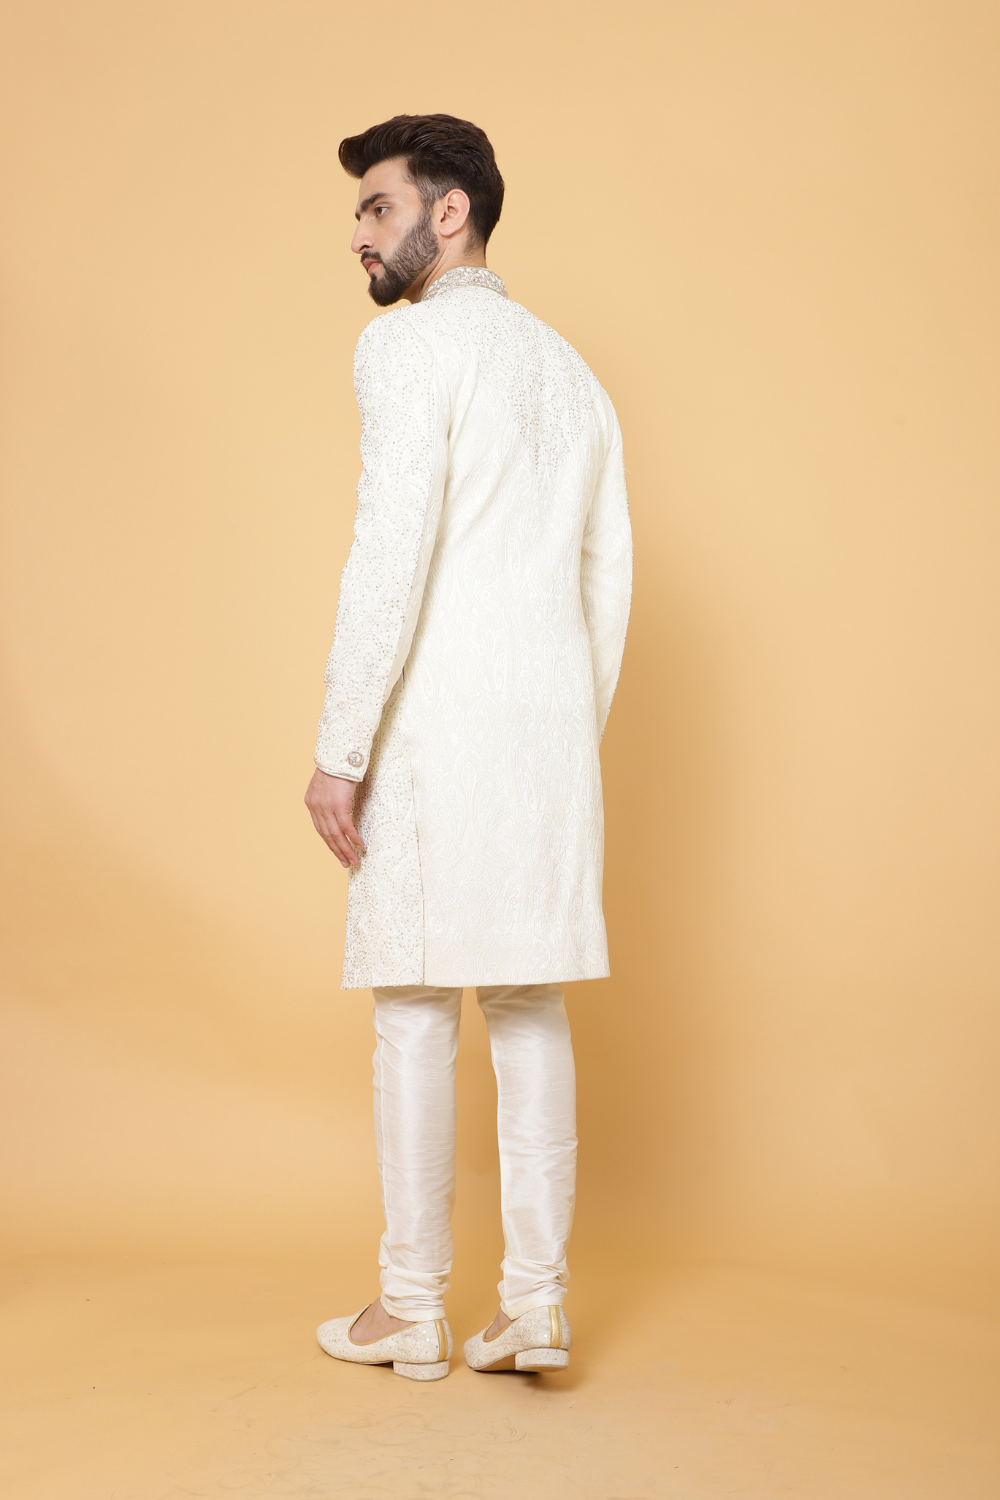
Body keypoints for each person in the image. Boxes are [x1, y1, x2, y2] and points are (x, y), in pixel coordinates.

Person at [304, 113, 632, 1380]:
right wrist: (563, 730)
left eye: (378, 207)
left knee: (413, 1005)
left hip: (435, 728)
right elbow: (606, 581)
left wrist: (341, 747)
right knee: (529, 999)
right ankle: (535, 1306)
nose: (358, 233)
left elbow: (386, 554)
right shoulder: (570, 370)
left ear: (450, 214)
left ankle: (412, 1309)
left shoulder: (407, 345)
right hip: (547, 733)